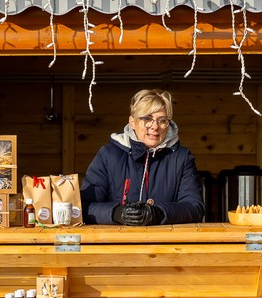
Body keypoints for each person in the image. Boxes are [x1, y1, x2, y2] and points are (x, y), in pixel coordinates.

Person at [81, 89, 205, 225]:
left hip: (165, 243)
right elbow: (84, 207)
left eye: (162, 120)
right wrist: (117, 213)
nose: (154, 126)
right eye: (147, 119)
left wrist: (157, 213)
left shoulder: (181, 157)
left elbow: (194, 208)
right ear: (132, 122)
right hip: (117, 243)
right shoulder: (108, 155)